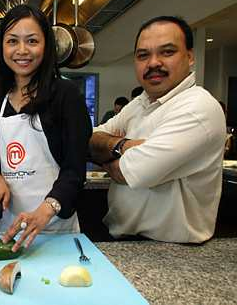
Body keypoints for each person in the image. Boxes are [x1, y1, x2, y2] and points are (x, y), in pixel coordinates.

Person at [89, 16, 226, 243]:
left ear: (190, 57)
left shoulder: (197, 107)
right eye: (143, 55)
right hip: (124, 239)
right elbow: (89, 140)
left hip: (172, 251)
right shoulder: (140, 103)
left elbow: (131, 172)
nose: (153, 63)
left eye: (167, 52)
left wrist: (107, 152)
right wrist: (124, 146)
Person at [0, 4, 92, 252]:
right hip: (7, 227)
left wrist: (46, 210)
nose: (22, 50)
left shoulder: (66, 95)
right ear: (2, 47)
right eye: (12, 41)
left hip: (53, 227)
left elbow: (74, 170)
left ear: (46, 46)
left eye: (32, 41)